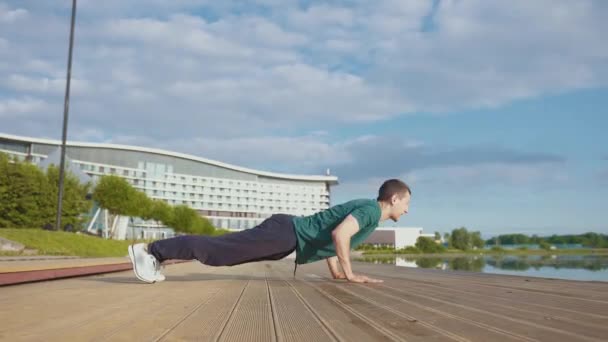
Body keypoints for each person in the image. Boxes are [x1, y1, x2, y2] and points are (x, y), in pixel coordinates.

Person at [128, 179, 411, 284]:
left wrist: (337, 272)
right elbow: (340, 236)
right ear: (394, 199)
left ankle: (157, 257)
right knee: (218, 250)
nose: (407, 210)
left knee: (222, 254)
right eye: (406, 203)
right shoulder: (371, 211)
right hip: (285, 232)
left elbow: (331, 237)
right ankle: (152, 251)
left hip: (286, 236)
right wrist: (350, 275)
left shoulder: (368, 212)